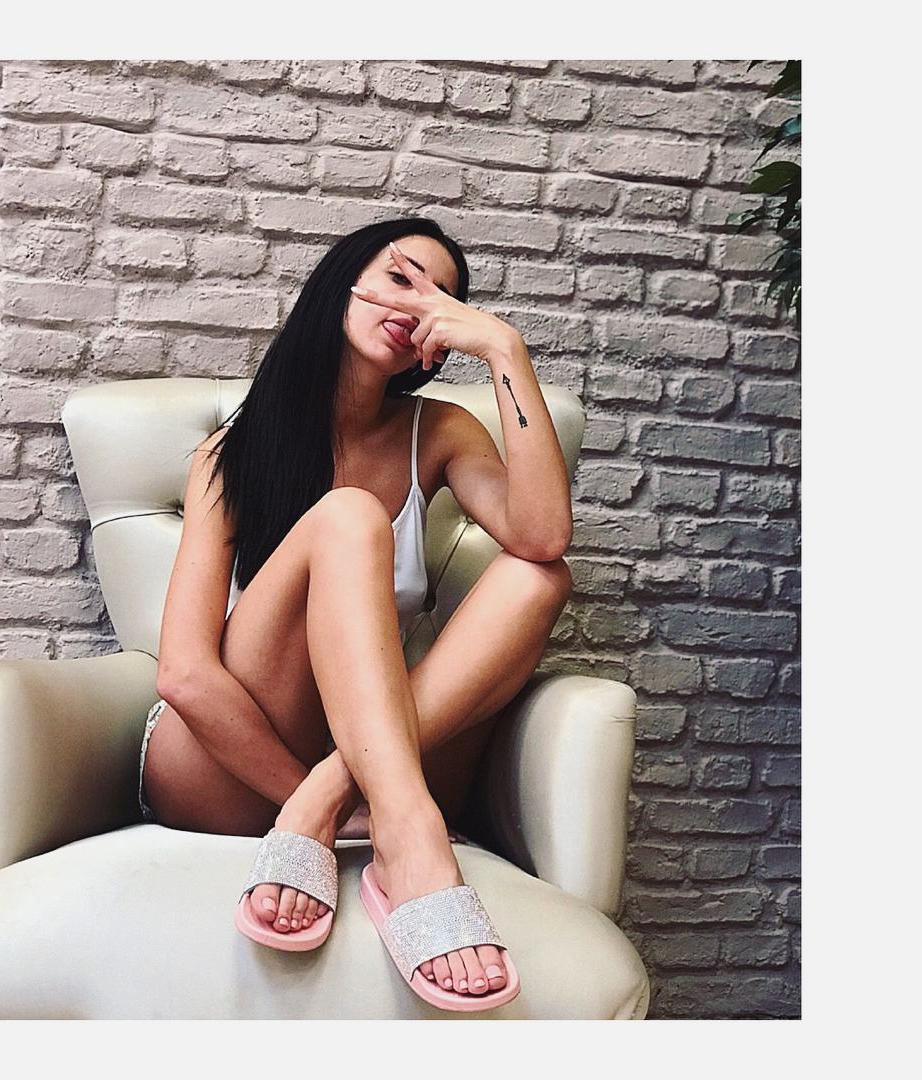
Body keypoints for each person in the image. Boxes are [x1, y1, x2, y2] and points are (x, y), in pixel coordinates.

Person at [139, 217, 573, 1012]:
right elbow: (185, 674)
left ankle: (377, 810)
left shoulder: (439, 431)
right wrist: (322, 798)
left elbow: (542, 536)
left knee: (538, 578)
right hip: (219, 764)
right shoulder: (231, 452)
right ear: (340, 283)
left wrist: (505, 349)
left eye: (441, 297)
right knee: (349, 516)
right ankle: (403, 829)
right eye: (401, 278)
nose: (418, 304)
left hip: (369, 767)